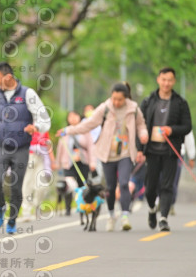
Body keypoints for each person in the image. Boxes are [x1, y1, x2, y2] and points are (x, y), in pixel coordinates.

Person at [0, 62, 51, 234]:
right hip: (2, 146)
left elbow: (44, 119)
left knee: (16, 187)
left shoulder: (28, 94)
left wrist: (36, 127)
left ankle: (12, 220)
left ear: (8, 77)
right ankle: (1, 206)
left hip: (22, 148)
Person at [57, 83, 148, 232]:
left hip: (125, 152)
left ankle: (125, 216)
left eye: (120, 99)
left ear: (126, 98)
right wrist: (68, 130)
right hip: (107, 154)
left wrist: (143, 134)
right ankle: (111, 215)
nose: (116, 102)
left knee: (124, 183)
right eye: (114, 98)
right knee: (110, 187)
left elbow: (141, 125)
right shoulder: (105, 108)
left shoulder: (133, 109)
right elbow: (88, 124)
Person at [138, 67, 192, 232]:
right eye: (164, 80)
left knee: (167, 186)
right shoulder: (148, 101)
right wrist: (139, 149)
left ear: (174, 81)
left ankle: (163, 218)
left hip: (170, 151)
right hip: (151, 151)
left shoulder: (180, 103)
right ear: (158, 80)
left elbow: (187, 126)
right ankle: (152, 209)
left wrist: (171, 130)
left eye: (169, 80)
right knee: (150, 187)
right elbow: (139, 125)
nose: (166, 83)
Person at [21, 131, 55, 221]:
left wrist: (53, 161)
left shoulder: (44, 129)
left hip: (41, 158)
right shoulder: (25, 126)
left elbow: (48, 145)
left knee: (42, 186)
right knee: (27, 185)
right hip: (28, 157)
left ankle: (37, 205)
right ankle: (26, 211)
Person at [170, 131, 196, 215]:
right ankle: (160, 199)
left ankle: (171, 203)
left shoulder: (183, 122)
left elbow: (188, 135)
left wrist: (191, 156)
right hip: (160, 150)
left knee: (173, 179)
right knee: (160, 178)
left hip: (178, 152)